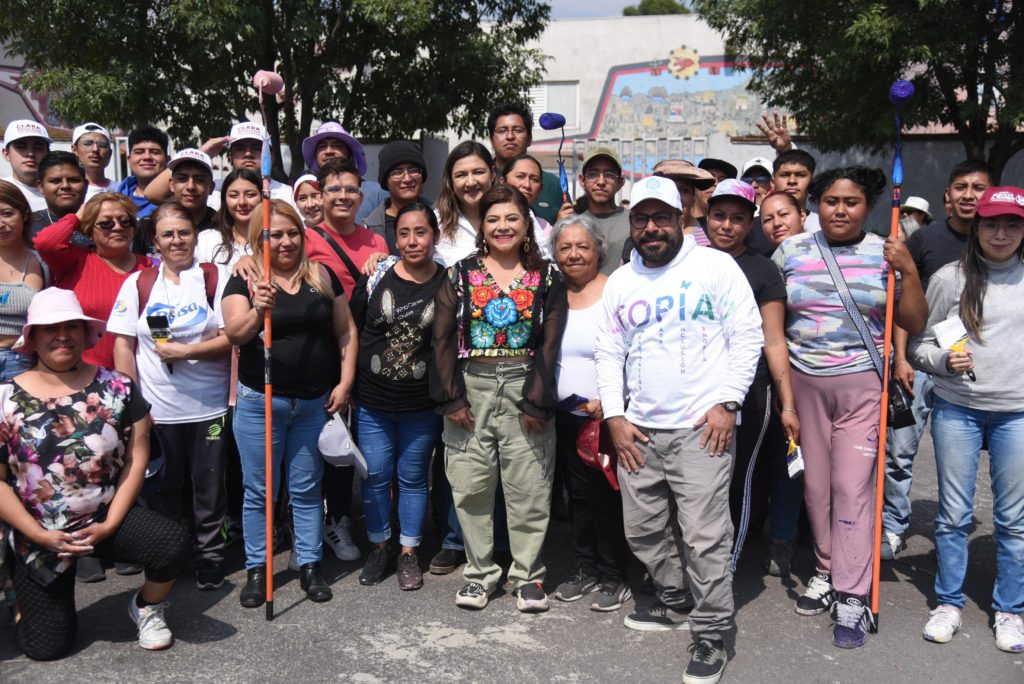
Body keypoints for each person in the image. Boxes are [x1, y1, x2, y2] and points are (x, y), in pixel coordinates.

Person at [594, 175, 762, 684]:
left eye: (661, 217)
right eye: (641, 219)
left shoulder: (715, 266)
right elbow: (609, 351)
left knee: (705, 537)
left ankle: (711, 634)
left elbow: (747, 335)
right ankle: (676, 597)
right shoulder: (622, 280)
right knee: (641, 532)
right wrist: (615, 417)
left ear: (681, 218)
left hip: (700, 430)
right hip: (639, 430)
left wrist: (728, 403)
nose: (651, 228)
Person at [772, 166, 927, 649]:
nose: (840, 210)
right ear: (815, 205)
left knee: (851, 487)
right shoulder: (791, 251)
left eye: (852, 202)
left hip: (862, 386)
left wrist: (908, 269)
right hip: (805, 385)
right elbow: (774, 325)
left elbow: (914, 318)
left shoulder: (886, 251)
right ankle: (824, 567)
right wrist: (787, 400)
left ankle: (853, 594)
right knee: (816, 488)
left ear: (869, 206)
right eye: (831, 201)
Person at [0, 288, 191, 660]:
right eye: (50, 328)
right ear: (33, 338)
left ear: (85, 334)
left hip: (106, 519)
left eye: (71, 326)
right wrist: (38, 533)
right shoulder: (4, 399)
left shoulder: (118, 386)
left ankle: (147, 605)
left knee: (173, 543)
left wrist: (108, 524)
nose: (62, 335)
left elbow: (137, 459)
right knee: (46, 648)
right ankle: (18, 596)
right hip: (39, 532)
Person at [432, 184, 567, 612]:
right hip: (472, 386)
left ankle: (529, 576)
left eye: (511, 217)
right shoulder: (460, 273)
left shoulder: (548, 277)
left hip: (527, 383)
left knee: (529, 485)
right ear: (481, 226)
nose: (502, 226)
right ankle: (479, 574)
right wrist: (452, 398)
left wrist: (538, 400)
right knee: (471, 485)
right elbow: (439, 338)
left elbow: (551, 341)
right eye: (493, 219)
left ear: (526, 223)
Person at [222, 200, 358, 607]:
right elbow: (234, 334)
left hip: (314, 402)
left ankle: (310, 565)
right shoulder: (245, 281)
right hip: (261, 402)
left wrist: (347, 379)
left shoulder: (322, 276)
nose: (284, 241)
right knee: (260, 491)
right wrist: (258, 309)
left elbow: (346, 331)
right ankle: (257, 568)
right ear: (258, 239)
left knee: (306, 487)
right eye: (273, 234)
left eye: (292, 232)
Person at [909, 185, 1024, 652]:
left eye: (1012, 224)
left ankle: (1011, 610)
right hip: (957, 408)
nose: (1001, 233)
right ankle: (949, 603)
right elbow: (918, 346)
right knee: (953, 516)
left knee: (1014, 521)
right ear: (976, 227)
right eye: (991, 223)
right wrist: (942, 362)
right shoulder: (949, 279)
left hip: (1017, 412)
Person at [109, 201, 232, 591]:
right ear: (155, 241)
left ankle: (211, 554)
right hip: (158, 410)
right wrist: (135, 406)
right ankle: (169, 554)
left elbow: (235, 335)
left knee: (210, 487)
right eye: (168, 234)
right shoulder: (138, 283)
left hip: (210, 406)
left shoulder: (217, 276)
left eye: (184, 232)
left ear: (195, 235)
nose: (177, 240)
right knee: (163, 490)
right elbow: (123, 345)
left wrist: (188, 351)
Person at [883, 160, 992, 561]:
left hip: (974, 369)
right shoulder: (925, 240)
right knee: (900, 450)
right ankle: (893, 526)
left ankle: (954, 533)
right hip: (922, 361)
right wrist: (900, 357)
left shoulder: (1000, 240)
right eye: (960, 186)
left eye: (978, 187)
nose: (969, 195)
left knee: (961, 461)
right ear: (947, 196)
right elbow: (902, 301)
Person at [704, 180, 802, 578]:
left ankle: (728, 559)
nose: (726, 225)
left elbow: (774, 341)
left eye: (738, 218)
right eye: (719, 216)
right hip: (698, 388)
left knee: (737, 478)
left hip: (751, 391)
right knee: (701, 480)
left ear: (751, 225)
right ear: (706, 217)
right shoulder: (688, 261)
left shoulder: (763, 269)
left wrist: (788, 403)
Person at [350, 203, 445, 590]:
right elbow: (352, 330)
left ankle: (408, 552)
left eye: (420, 232)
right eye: (404, 233)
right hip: (373, 401)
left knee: (412, 478)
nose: (411, 241)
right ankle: (379, 546)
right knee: (374, 477)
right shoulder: (377, 276)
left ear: (434, 236)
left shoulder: (449, 281)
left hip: (421, 405)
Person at [549, 214, 632, 612]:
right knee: (577, 496)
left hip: (605, 418)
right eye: (565, 247)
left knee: (607, 498)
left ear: (598, 249)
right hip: (564, 416)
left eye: (582, 246)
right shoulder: (552, 293)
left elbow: (632, 353)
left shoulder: (615, 290)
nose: (574, 254)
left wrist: (612, 400)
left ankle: (616, 575)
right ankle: (586, 568)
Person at [34, 192, 152, 370]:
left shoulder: (151, 268)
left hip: (145, 377)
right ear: (89, 232)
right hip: (86, 378)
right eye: (106, 223)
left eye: (125, 221)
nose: (118, 227)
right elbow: (46, 243)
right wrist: (78, 215)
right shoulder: (75, 261)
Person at [556, 147, 631, 276]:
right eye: (593, 174)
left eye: (609, 175)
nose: (601, 182)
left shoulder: (634, 223)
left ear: (620, 182)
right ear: (582, 181)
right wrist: (558, 230)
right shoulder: (570, 222)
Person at [487, 102, 562, 224]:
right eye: (502, 130)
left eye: (518, 130)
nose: (510, 136)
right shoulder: (481, 180)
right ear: (491, 139)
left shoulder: (552, 183)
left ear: (529, 139)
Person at [0, 181, 45, 381]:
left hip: (23, 363)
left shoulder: (42, 263)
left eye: (7, 213)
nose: (1, 224)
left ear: (25, 214)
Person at [301, 121, 387, 223]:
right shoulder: (304, 194)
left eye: (337, 146)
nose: (328, 151)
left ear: (350, 154)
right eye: (322, 147)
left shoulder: (376, 193)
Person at [435, 141, 496, 268]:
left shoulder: (519, 215)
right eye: (461, 175)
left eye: (478, 172)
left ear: (492, 174)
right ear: (451, 181)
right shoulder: (435, 221)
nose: (471, 182)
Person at [364, 141, 431, 255]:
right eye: (397, 172)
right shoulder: (370, 228)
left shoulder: (441, 217)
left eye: (413, 170)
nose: (407, 178)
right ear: (386, 180)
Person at [195, 168, 261, 272]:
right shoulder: (206, 240)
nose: (242, 202)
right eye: (234, 195)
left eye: (250, 195)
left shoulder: (274, 240)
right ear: (224, 200)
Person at [28, 151, 88, 245]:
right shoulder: (27, 226)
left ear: (86, 185)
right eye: (55, 181)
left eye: (73, 180)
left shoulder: (104, 223)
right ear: (40, 186)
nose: (65, 186)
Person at [652, 159, 715, 244]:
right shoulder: (647, 234)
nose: (678, 197)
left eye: (685, 190)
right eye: (671, 189)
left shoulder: (710, 232)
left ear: (693, 195)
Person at [116, 125, 169, 221]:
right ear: (129, 160)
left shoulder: (177, 199)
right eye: (139, 152)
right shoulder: (114, 199)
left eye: (155, 152)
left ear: (167, 160)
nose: (147, 157)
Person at [2, 119, 50, 211]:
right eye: (21, 147)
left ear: (47, 154)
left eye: (38, 147)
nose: (30, 153)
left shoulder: (64, 192)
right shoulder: (2, 191)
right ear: (6, 154)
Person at [71, 123, 114, 201]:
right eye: (87, 144)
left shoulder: (123, 189)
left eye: (102, 145)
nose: (95, 149)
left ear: (110, 153)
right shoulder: (69, 192)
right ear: (74, 149)